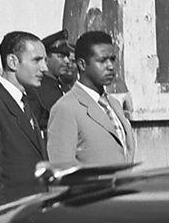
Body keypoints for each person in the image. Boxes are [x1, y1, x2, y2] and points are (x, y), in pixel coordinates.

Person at [0, 32, 49, 216]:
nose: (44, 67)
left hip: (34, 216)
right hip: (12, 222)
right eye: (36, 60)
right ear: (12, 62)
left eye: (44, 60)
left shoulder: (27, 102)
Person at [46, 31, 137, 170]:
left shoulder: (114, 104)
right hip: (93, 191)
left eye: (112, 59)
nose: (111, 66)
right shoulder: (66, 108)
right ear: (82, 64)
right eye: (102, 60)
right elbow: (61, 171)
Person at [29, 30, 77, 119]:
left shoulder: (63, 86)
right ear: (46, 58)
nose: (67, 61)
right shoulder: (37, 88)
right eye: (61, 56)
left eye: (67, 56)